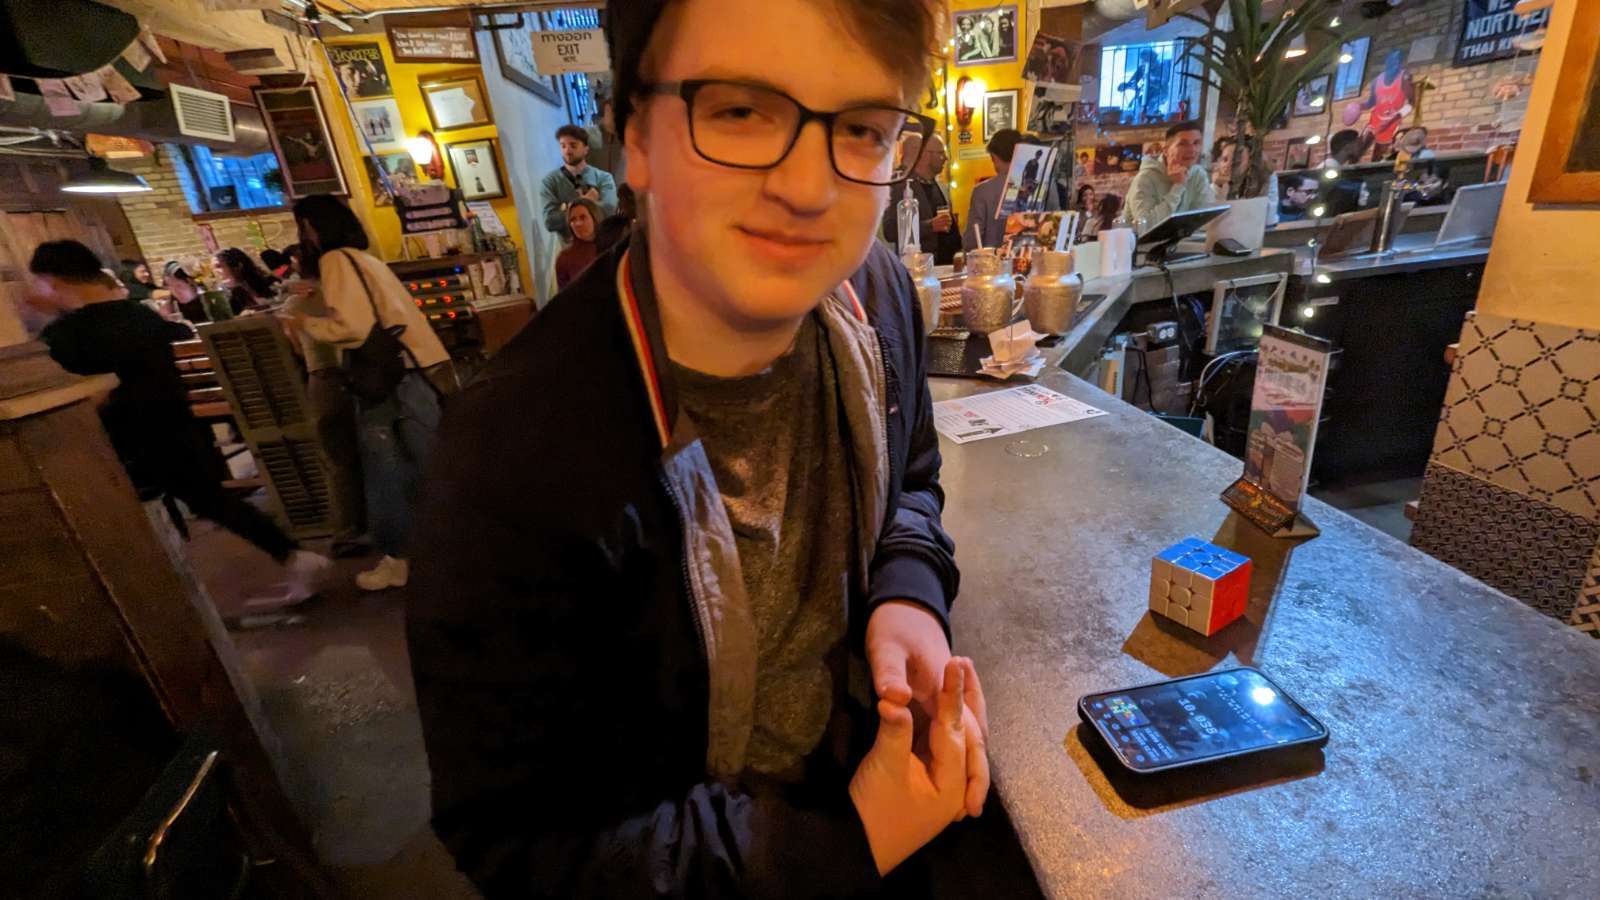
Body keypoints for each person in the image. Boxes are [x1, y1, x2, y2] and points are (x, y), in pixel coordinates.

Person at [406, 0, 988, 895]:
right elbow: (521, 840)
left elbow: (912, 481)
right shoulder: (509, 459)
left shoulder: (876, 298)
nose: (809, 189)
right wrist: (849, 842)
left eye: (863, 128)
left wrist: (907, 593)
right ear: (634, 136)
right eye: (741, 111)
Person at [27, 240, 330, 603]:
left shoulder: (67, 334)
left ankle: (163, 601)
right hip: (176, 423)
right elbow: (181, 335)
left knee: (123, 518)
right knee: (210, 499)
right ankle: (294, 556)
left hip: (118, 441)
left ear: (56, 281)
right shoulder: (140, 316)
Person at [287, 196, 451, 592]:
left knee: (387, 472)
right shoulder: (366, 259)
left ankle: (400, 560)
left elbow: (353, 328)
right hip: (418, 368)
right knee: (428, 465)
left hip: (388, 379)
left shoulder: (336, 260)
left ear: (312, 226)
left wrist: (303, 322)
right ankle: (444, 551)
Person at [881, 132, 960, 264]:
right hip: (919, 268)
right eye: (941, 153)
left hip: (947, 267)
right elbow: (890, 231)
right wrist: (929, 226)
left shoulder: (937, 184)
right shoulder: (900, 185)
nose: (945, 158)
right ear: (925, 155)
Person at [1125, 120, 1215, 229]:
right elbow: (1145, 227)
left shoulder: (1198, 174)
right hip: (1139, 240)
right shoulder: (1145, 179)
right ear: (1166, 150)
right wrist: (1178, 187)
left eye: (1196, 143)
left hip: (1185, 239)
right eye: (1183, 144)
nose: (1192, 150)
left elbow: (1203, 220)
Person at [539, 124, 619, 243]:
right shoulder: (549, 182)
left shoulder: (604, 178)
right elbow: (550, 222)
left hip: (605, 243)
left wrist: (566, 209)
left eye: (573, 145)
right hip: (571, 246)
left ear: (586, 149)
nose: (567, 151)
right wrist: (587, 202)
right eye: (563, 146)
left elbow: (610, 210)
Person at [963, 128, 1025, 251]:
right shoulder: (1045, 185)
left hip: (994, 260)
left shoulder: (982, 191)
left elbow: (971, 241)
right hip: (1035, 259)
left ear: (994, 157)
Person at [1350, 49, 1414, 161]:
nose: (1395, 65)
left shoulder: (1404, 77)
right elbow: (1371, 102)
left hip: (1391, 123)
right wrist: (1359, 107)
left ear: (1400, 64)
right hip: (1374, 121)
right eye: (1392, 62)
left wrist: (1397, 116)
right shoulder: (1376, 81)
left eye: (1398, 62)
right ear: (1386, 63)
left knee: (1377, 158)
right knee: (1357, 151)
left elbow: (1411, 103)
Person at [1209, 136, 1280, 224]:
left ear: (1251, 162)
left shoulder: (1267, 177)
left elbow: (1268, 219)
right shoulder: (1217, 184)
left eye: (1237, 160)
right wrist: (1219, 188)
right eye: (1225, 159)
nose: (1228, 165)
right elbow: (1213, 220)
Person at [554, 197, 602, 290]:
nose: (578, 223)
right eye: (573, 220)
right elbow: (565, 295)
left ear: (594, 218)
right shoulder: (565, 258)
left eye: (583, 217)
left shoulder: (610, 246)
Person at [214, 247, 277, 315]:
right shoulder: (224, 293)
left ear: (238, 265)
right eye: (215, 267)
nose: (216, 271)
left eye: (219, 266)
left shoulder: (264, 280)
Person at [1323, 129, 1368, 217]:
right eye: (1358, 144)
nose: (1361, 148)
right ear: (1348, 147)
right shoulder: (1330, 168)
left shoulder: (1333, 166)